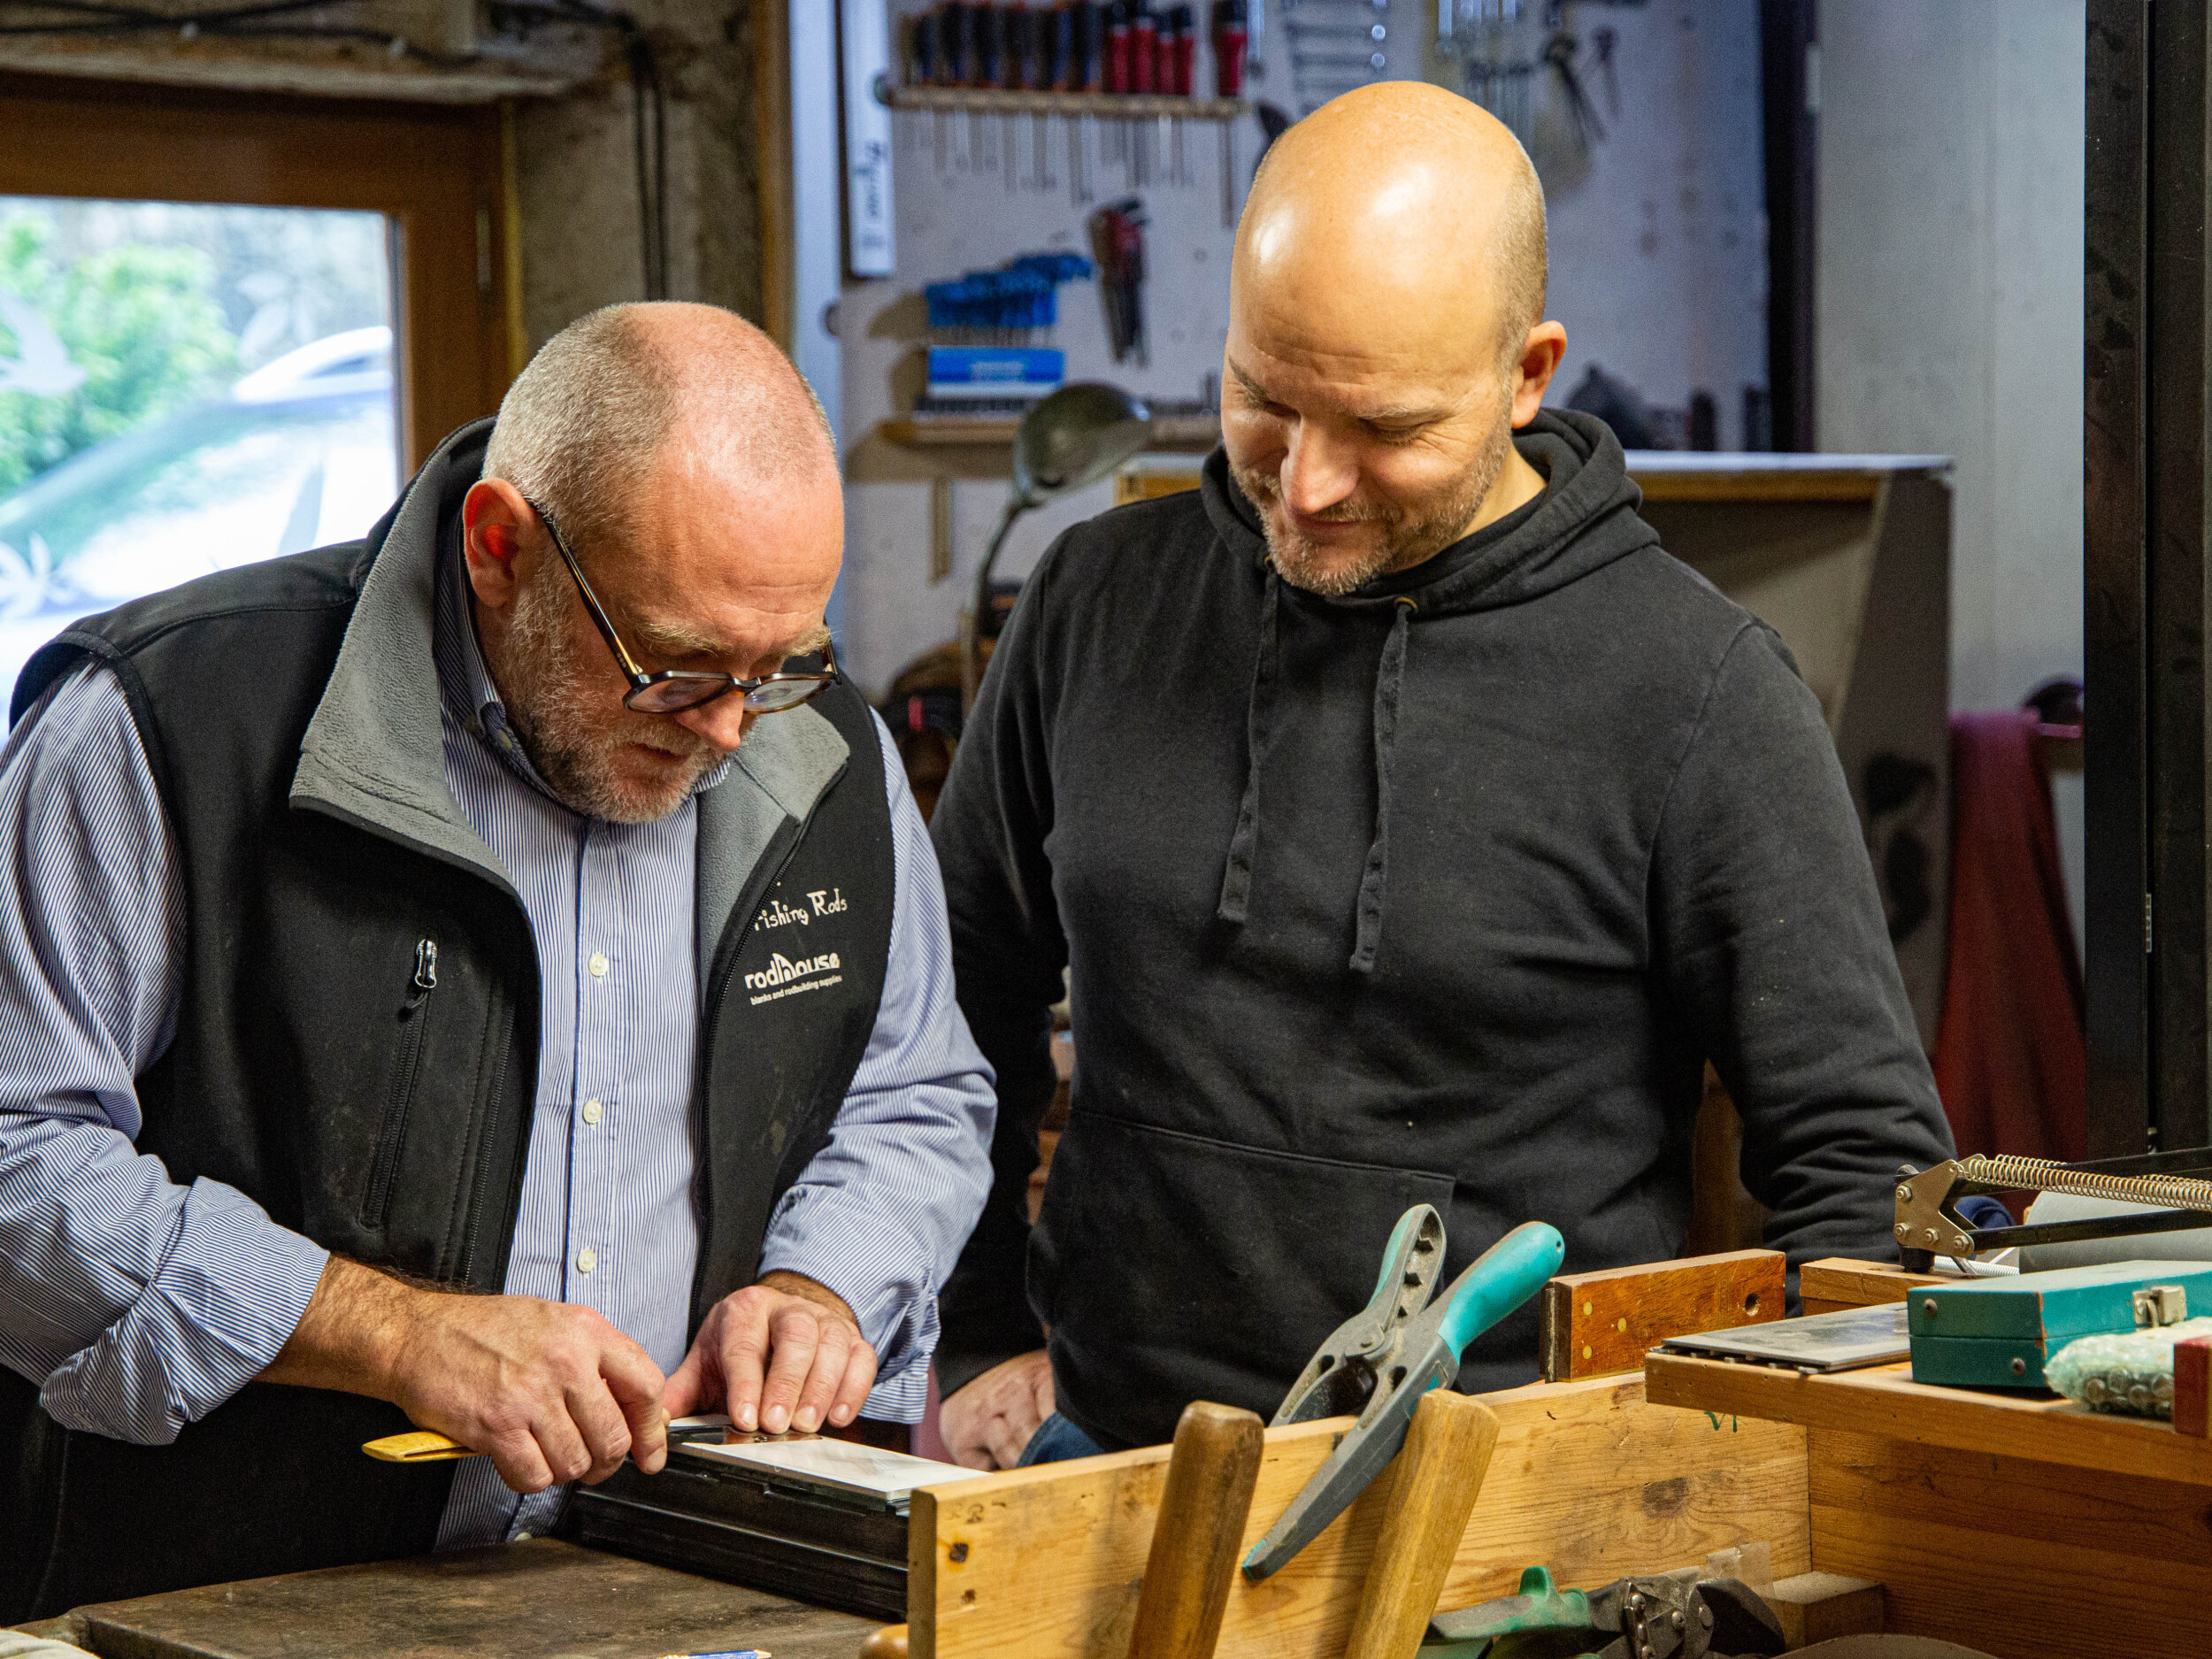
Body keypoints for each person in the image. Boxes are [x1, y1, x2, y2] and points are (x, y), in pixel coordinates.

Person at [928, 82, 1955, 1470]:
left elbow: (1860, 1169)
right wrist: (975, 1331)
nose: (1304, 487)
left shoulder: (1696, 692)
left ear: (1529, 373)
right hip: (1106, 1459)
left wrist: (1727, 1483)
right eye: (1261, 400)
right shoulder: (1096, 603)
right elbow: (949, 1013)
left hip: (1505, 1513)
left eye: (1384, 429)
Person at [0, 303, 995, 1617]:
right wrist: (390, 1331)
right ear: (498, 547)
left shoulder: (826, 759)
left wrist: (826, 1280)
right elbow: (18, 1154)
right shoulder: (168, 723)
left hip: (651, 1593)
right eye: (675, 668)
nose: (733, 733)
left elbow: (914, 1093)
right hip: (227, 1601)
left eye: (781, 665)